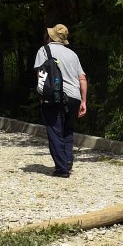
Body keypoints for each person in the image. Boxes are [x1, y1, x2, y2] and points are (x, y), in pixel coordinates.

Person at [33, 24, 88, 178]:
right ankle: (68, 160)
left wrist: (42, 94)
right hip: (74, 98)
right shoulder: (73, 55)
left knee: (54, 130)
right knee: (67, 129)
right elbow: (82, 78)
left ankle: (62, 168)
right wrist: (83, 101)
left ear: (51, 36)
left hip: (54, 96)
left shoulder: (44, 50)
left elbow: (40, 75)